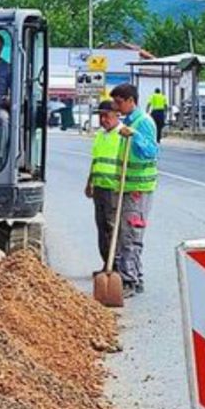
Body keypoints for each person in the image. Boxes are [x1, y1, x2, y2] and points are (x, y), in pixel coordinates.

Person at [111, 83, 159, 297]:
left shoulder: (143, 123)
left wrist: (135, 136)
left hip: (139, 187)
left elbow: (151, 151)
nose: (116, 106)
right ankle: (133, 277)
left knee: (131, 235)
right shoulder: (128, 123)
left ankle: (129, 281)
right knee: (123, 235)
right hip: (126, 187)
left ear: (131, 100)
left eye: (119, 102)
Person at [85, 101, 124, 271]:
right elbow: (96, 160)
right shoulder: (100, 135)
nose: (103, 119)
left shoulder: (124, 135)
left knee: (112, 228)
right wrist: (89, 182)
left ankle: (116, 266)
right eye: (100, 116)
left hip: (114, 189)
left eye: (106, 116)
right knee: (101, 228)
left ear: (117, 115)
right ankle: (106, 264)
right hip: (99, 187)